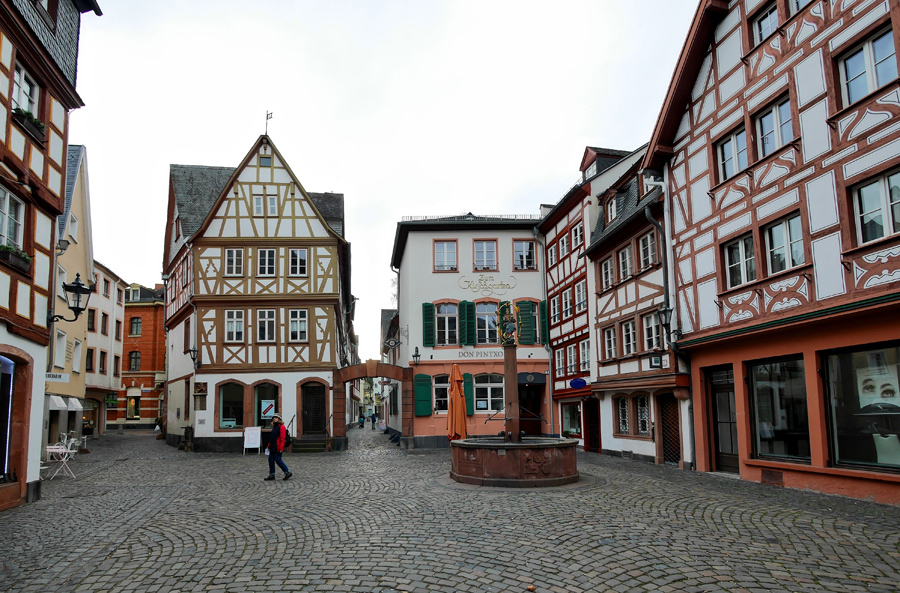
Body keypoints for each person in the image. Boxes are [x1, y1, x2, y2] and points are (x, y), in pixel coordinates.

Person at [265, 413, 292, 481]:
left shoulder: (282, 427)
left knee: (278, 460)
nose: (274, 419)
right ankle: (272, 474)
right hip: (273, 446)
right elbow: (273, 437)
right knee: (270, 460)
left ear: (279, 419)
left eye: (276, 418)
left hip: (277, 446)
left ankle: (287, 472)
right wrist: (269, 445)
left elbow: (282, 438)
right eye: (274, 418)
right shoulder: (274, 427)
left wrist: (281, 448)